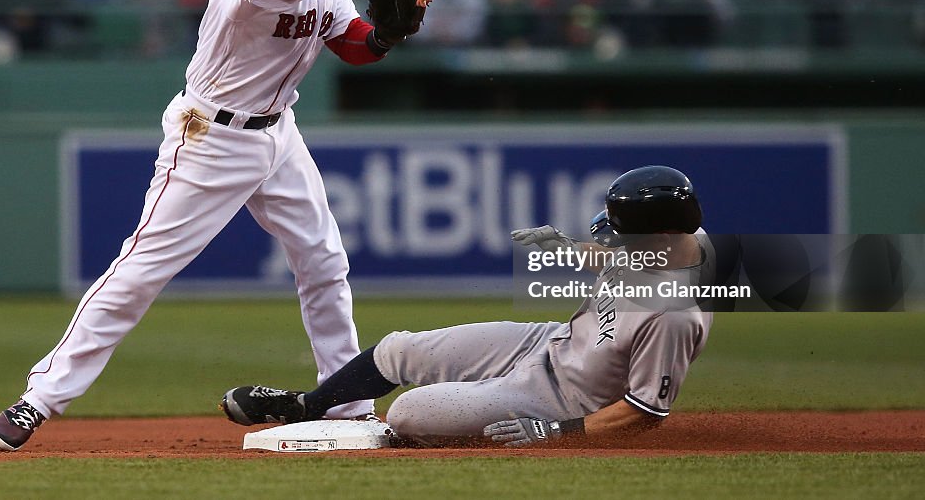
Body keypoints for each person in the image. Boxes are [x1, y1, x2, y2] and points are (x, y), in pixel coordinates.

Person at [0, 0, 433, 452]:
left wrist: (382, 37)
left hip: (278, 130)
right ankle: (39, 398)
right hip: (211, 136)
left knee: (325, 262)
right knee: (142, 269)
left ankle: (351, 409)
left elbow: (349, 42)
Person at [221, 165, 713, 447]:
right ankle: (304, 405)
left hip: (571, 398)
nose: (613, 240)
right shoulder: (677, 242)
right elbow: (611, 258)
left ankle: (433, 428)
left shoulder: (671, 314)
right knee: (400, 349)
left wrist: (556, 432)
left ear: (665, 235)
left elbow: (646, 411)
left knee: (411, 412)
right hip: (552, 340)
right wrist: (562, 245)